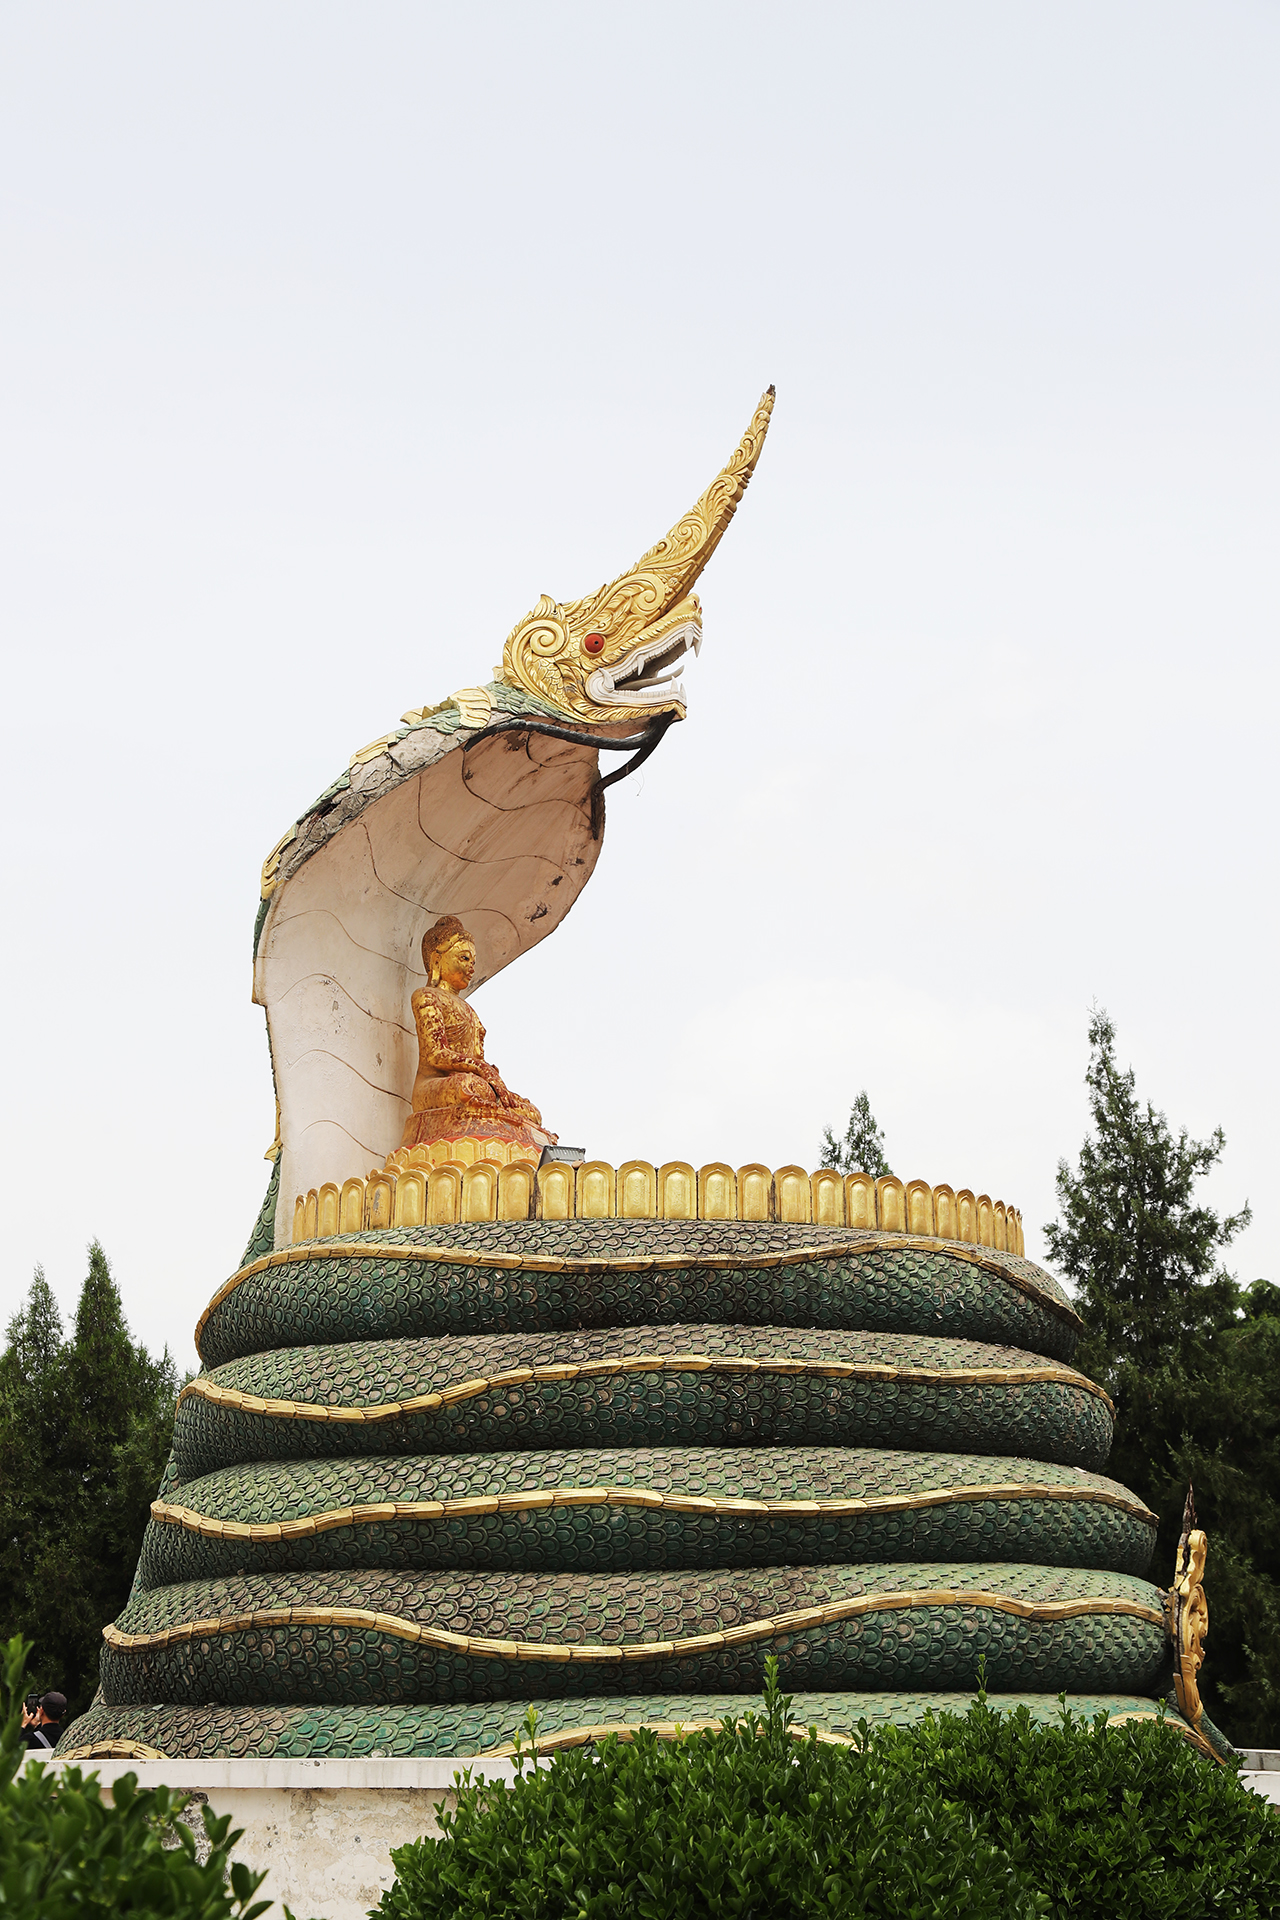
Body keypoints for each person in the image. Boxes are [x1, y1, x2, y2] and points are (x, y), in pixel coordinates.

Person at [398, 916, 554, 1152]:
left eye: (472, 960)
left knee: (531, 1111)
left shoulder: (470, 1010)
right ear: (437, 959)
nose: (471, 966)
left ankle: (499, 1117)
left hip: (474, 1083)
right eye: (463, 958)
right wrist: (482, 1069)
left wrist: (494, 1080)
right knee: (471, 1086)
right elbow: (435, 1054)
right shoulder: (426, 996)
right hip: (434, 1085)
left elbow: (477, 1057)